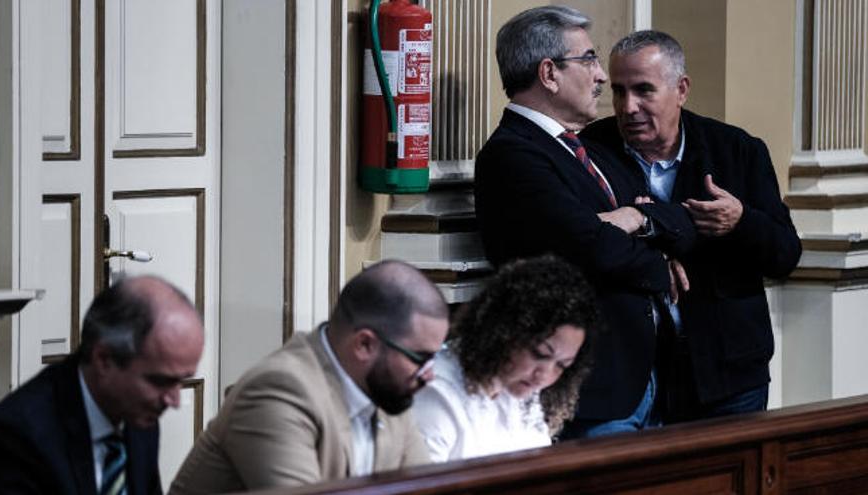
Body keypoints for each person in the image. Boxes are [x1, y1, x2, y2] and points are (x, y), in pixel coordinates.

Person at [475, 6, 695, 438]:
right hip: (589, 389)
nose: (599, 75)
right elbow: (593, 248)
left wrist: (636, 217)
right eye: (589, 59)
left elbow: (680, 220)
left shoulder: (591, 149)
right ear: (549, 73)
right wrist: (655, 261)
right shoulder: (514, 156)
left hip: (647, 381)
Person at [580, 30, 801, 422]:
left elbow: (785, 255)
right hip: (633, 374)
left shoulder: (737, 150)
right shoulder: (592, 150)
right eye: (618, 91)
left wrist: (741, 221)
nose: (628, 107)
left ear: (681, 90)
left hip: (729, 371)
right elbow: (584, 240)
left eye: (644, 90)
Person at [169, 260, 448, 494]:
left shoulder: (389, 391)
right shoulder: (280, 391)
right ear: (364, 345)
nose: (430, 374)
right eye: (420, 358)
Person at [0, 275, 205, 495]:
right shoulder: (20, 435)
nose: (174, 400)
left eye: (181, 380)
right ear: (104, 360)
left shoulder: (138, 413)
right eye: (160, 381)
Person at [413, 256, 599, 461]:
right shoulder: (436, 393)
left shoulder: (522, 391)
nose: (544, 376)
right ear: (504, 331)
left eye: (562, 365)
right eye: (540, 354)